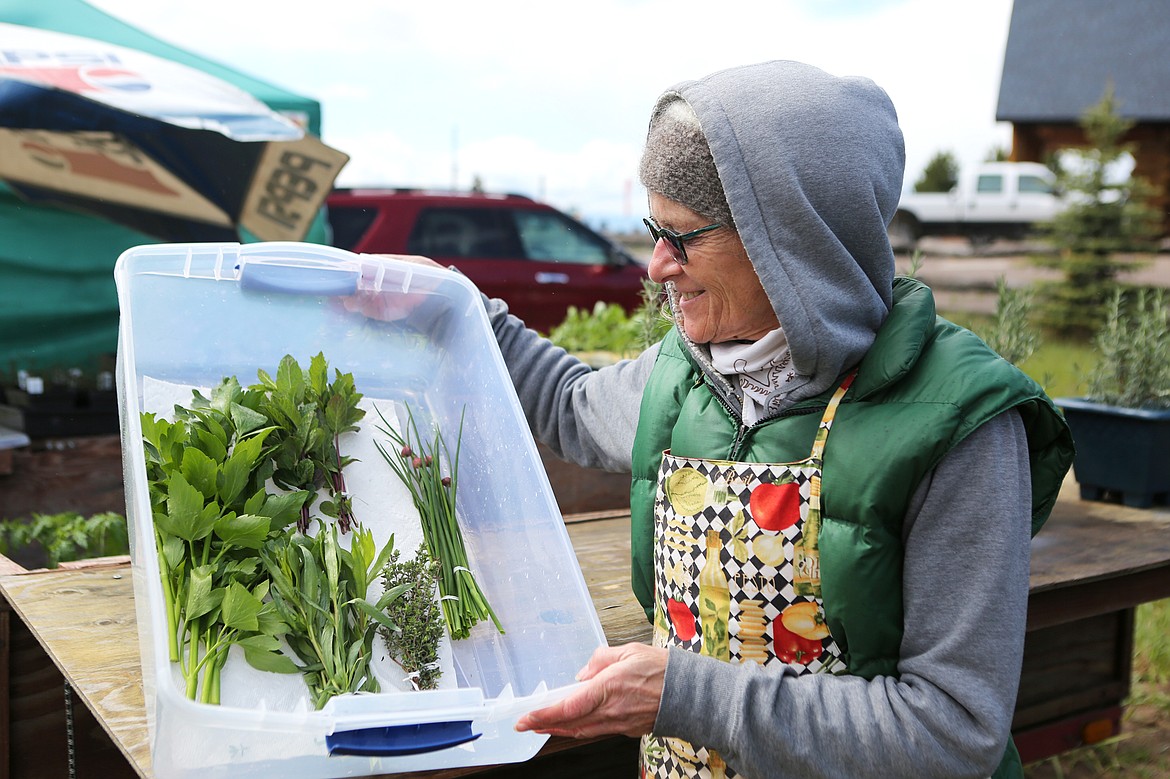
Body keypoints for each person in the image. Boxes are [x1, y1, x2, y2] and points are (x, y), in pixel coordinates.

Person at [349, 59, 1074, 779]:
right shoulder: (684, 373)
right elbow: (570, 405)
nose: (657, 265)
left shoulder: (962, 426)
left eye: (683, 235)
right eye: (650, 228)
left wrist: (683, 693)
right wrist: (465, 308)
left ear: (789, 243)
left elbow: (953, 731)